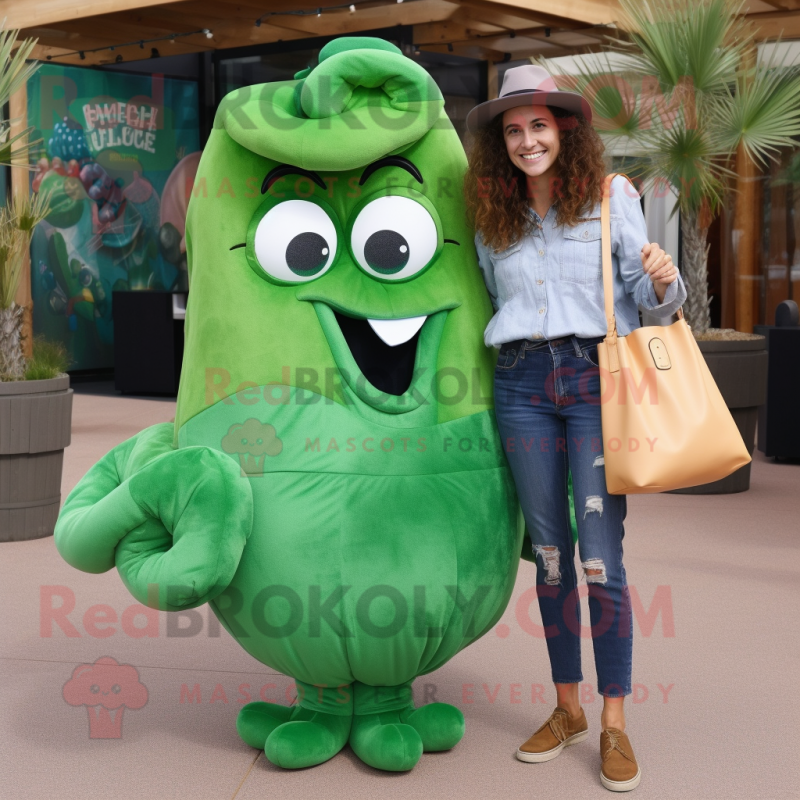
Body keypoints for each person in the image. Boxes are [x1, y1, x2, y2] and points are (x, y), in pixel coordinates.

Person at [464, 65, 686, 793]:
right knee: (551, 558)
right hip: (521, 385)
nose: (528, 141)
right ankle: (567, 710)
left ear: (565, 130)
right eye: (514, 130)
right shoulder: (490, 214)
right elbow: (492, 299)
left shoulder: (609, 195)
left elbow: (653, 300)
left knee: (600, 560)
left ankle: (615, 721)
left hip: (594, 383)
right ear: (503, 142)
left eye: (539, 125)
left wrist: (664, 278)